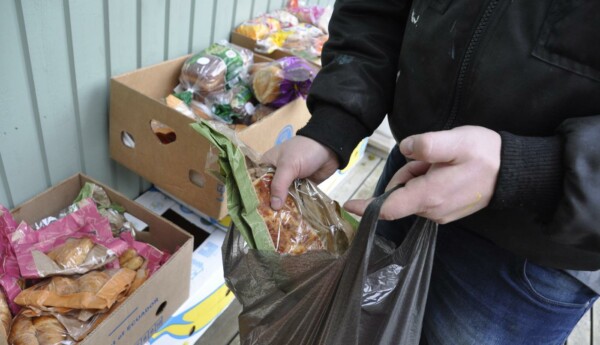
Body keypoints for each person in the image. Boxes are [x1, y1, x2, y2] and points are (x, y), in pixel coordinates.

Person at [262, 0, 600, 344]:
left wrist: (529, 171)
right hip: (405, 180)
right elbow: (372, 10)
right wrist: (336, 120)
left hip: (537, 249)